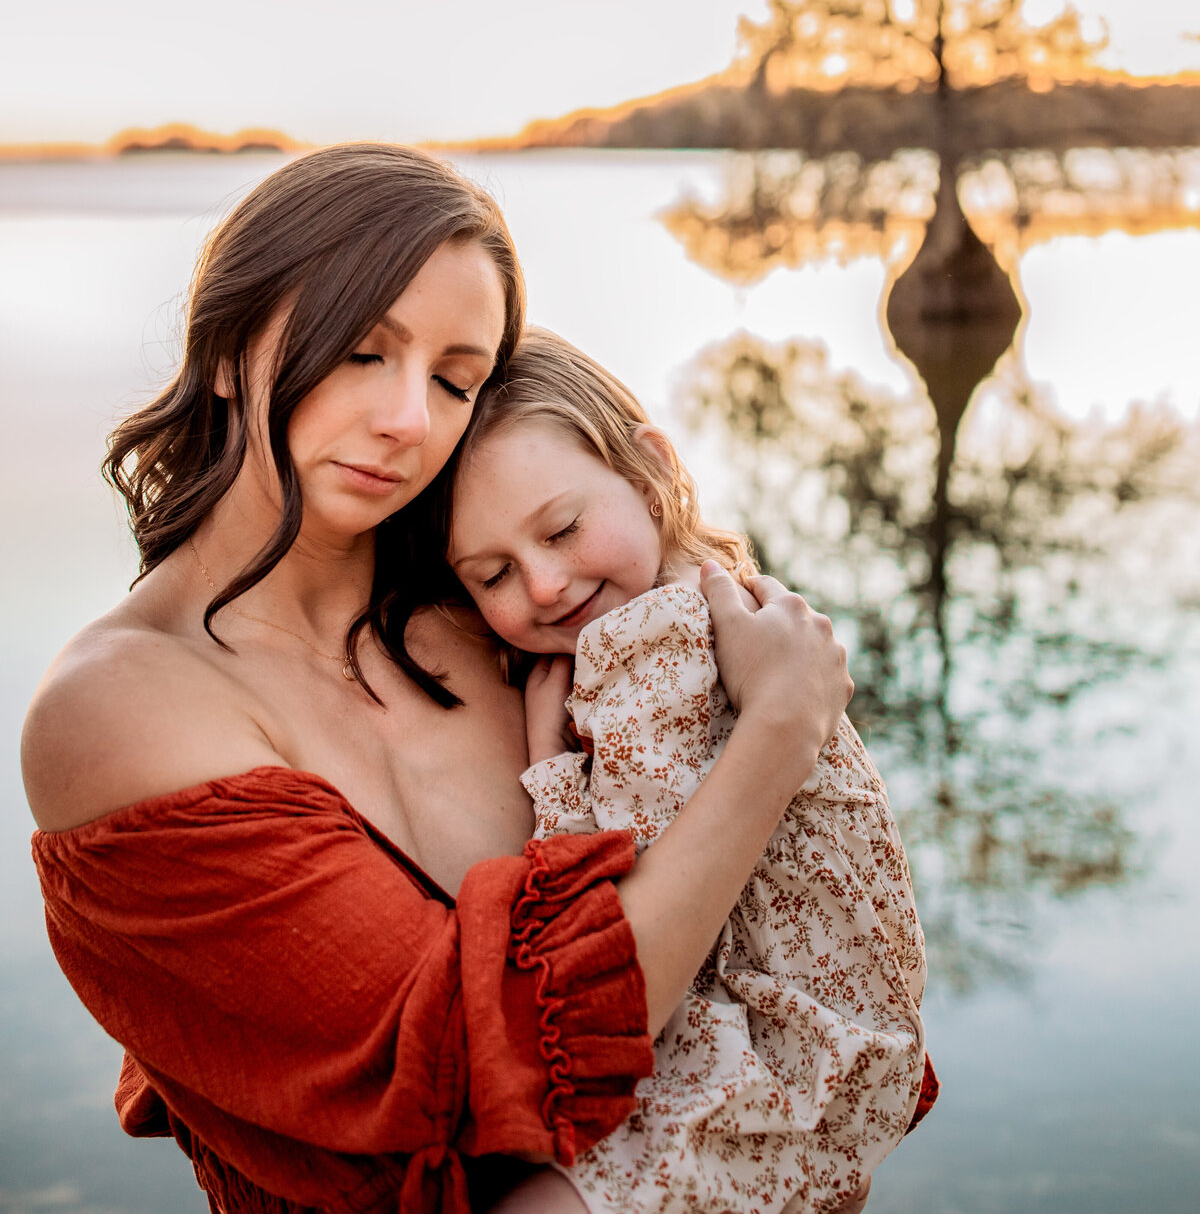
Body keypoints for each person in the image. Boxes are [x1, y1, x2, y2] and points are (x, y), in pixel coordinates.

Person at [20, 144, 855, 1214]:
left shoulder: (501, 611)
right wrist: (779, 731)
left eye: (455, 379)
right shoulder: (119, 710)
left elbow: (780, 929)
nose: (410, 420)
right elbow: (473, 1065)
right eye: (366, 352)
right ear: (227, 349)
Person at [443, 329, 939, 1214]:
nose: (547, 584)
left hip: (787, 1053)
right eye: (495, 574)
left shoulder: (656, 644)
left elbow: (626, 896)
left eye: (561, 528)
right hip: (839, 1033)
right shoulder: (711, 587)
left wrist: (549, 772)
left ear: (647, 471)